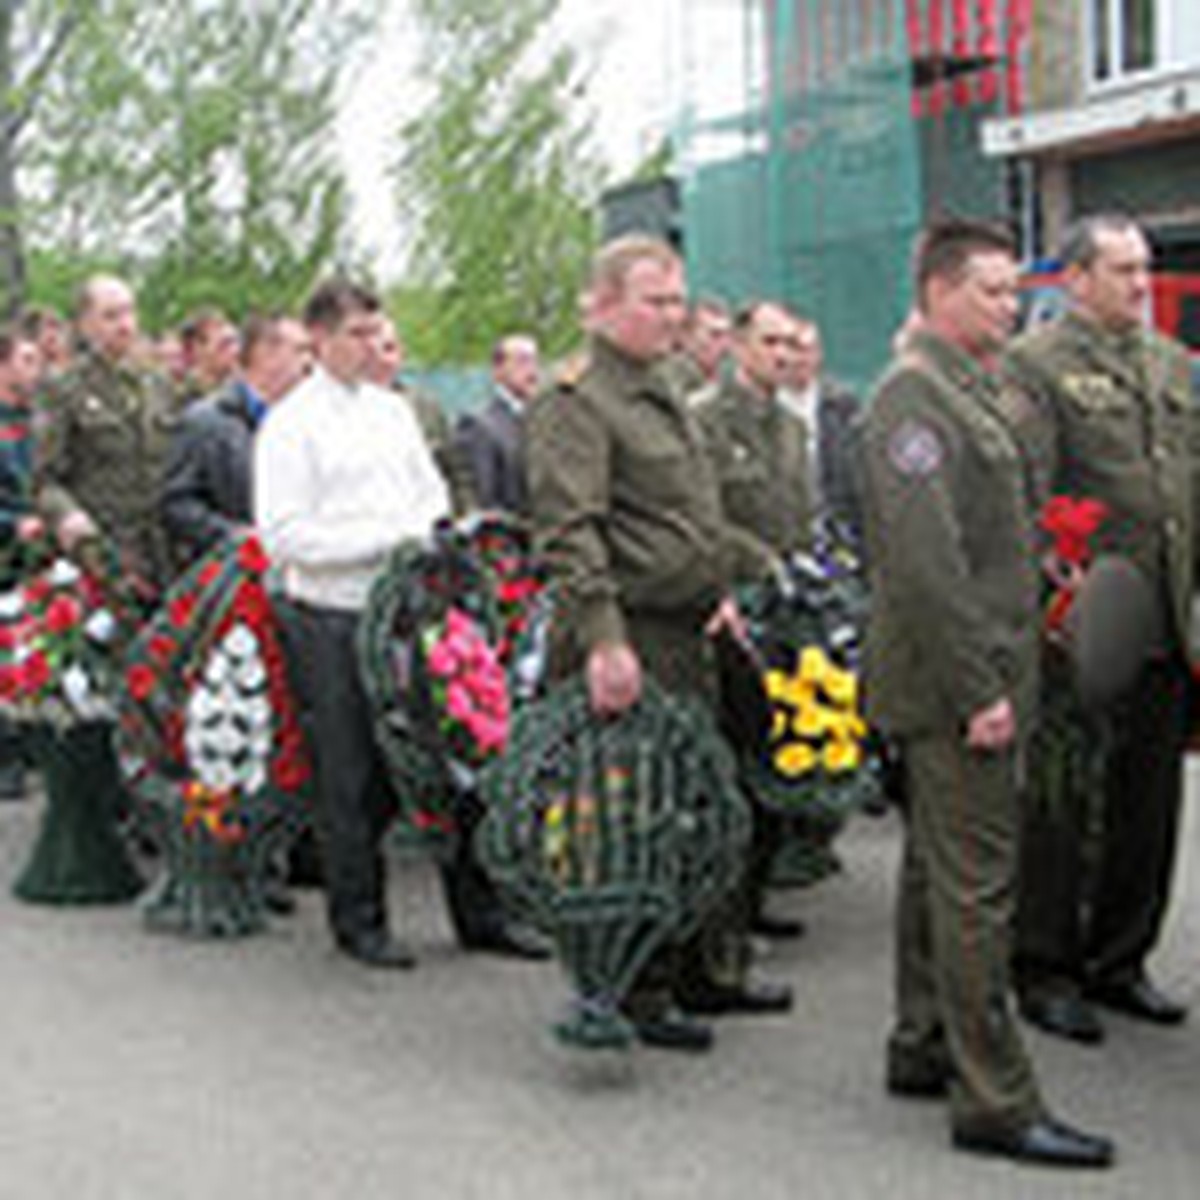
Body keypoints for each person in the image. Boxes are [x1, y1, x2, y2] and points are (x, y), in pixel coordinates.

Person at [860, 218, 1113, 1167]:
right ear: (936, 292)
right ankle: (996, 1099)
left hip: (985, 666)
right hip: (959, 683)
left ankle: (923, 1043)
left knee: (937, 871)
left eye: (1016, 291)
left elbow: (988, 534)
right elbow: (927, 569)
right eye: (992, 291)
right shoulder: (913, 400)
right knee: (978, 893)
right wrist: (979, 690)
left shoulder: (963, 388)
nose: (1012, 306)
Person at [526, 235, 787, 1053]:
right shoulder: (577, 399)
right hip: (632, 633)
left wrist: (720, 592)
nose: (673, 316)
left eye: (679, 301)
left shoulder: (667, 386)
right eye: (654, 301)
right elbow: (570, 532)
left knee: (698, 805)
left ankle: (700, 968)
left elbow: (688, 515)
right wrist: (604, 641)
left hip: (689, 628)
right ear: (601, 305)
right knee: (632, 818)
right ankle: (635, 986)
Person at [1007, 214, 1194, 1041]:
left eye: (1143, 268)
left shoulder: (1173, 364)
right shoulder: (1036, 364)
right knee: (1063, 800)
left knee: (1147, 802)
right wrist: (1054, 566)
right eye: (1119, 269)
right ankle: (1046, 966)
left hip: (1163, 616)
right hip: (1081, 623)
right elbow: (1024, 487)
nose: (1137, 283)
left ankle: (1121, 958)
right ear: (1075, 279)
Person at [255, 279, 449, 968]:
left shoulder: (393, 413)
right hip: (332, 616)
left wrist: (412, 534)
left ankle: (477, 911)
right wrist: (380, 539)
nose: (374, 345)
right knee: (350, 772)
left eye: (377, 331)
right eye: (359, 334)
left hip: (404, 609)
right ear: (321, 339)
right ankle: (358, 920)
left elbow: (432, 495)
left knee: (437, 756)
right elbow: (283, 536)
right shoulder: (290, 424)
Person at [36, 274, 177, 602]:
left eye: (129, 312)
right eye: (111, 316)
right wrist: (68, 517)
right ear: (85, 324)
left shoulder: (158, 383)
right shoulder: (64, 388)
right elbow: (45, 482)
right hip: (104, 557)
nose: (125, 325)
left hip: (164, 553)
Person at [162, 313, 311, 563]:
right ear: (265, 356)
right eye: (300, 351)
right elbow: (177, 504)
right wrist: (234, 537)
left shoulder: (306, 421)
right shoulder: (205, 422)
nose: (309, 363)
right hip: (236, 577)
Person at [366, 315, 476, 515]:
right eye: (371, 352)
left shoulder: (426, 408)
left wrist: (464, 519)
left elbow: (456, 472)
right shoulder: (338, 412)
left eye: (389, 349)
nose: (382, 360)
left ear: (401, 354)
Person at [0, 327, 45, 801]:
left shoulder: (38, 419)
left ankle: (30, 740)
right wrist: (13, 524)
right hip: (5, 554)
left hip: (38, 556)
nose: (37, 369)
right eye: (27, 359)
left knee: (32, 645)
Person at [778, 316, 863, 543]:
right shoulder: (768, 405)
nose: (801, 358)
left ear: (819, 354)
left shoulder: (843, 405)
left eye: (809, 349)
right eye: (794, 348)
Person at [454, 334, 540, 516]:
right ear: (497, 371)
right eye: (522, 361)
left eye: (535, 361)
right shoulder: (479, 426)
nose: (532, 371)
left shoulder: (545, 421)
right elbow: (484, 503)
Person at [664, 297, 732, 401]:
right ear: (687, 337)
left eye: (728, 336)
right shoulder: (667, 384)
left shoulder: (720, 385)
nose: (726, 346)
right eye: (715, 335)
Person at [178, 308, 241, 406]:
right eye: (224, 345)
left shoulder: (243, 388)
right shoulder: (184, 396)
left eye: (236, 341)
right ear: (198, 349)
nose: (235, 350)